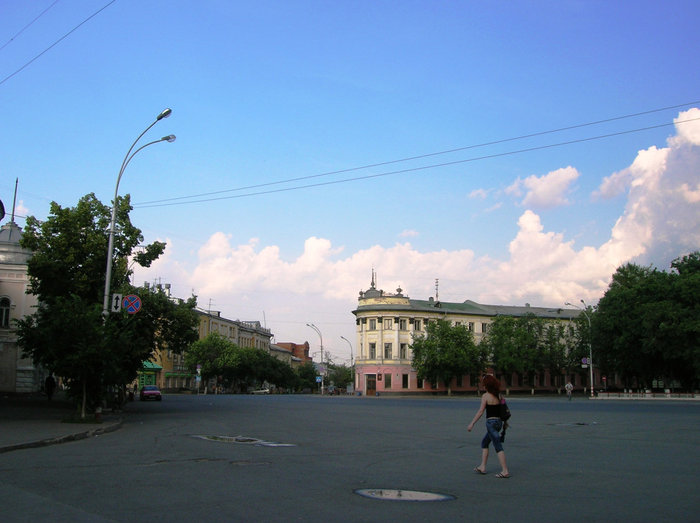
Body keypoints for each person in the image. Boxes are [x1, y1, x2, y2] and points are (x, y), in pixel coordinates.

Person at [467, 375, 511, 478]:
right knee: (485, 442)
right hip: (499, 423)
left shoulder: (485, 396)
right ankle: (482, 466)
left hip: (490, 423)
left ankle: (505, 471)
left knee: (498, 446)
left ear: (487, 385)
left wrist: (472, 423)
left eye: (484, 384)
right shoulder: (500, 396)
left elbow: (481, 411)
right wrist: (505, 423)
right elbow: (504, 410)